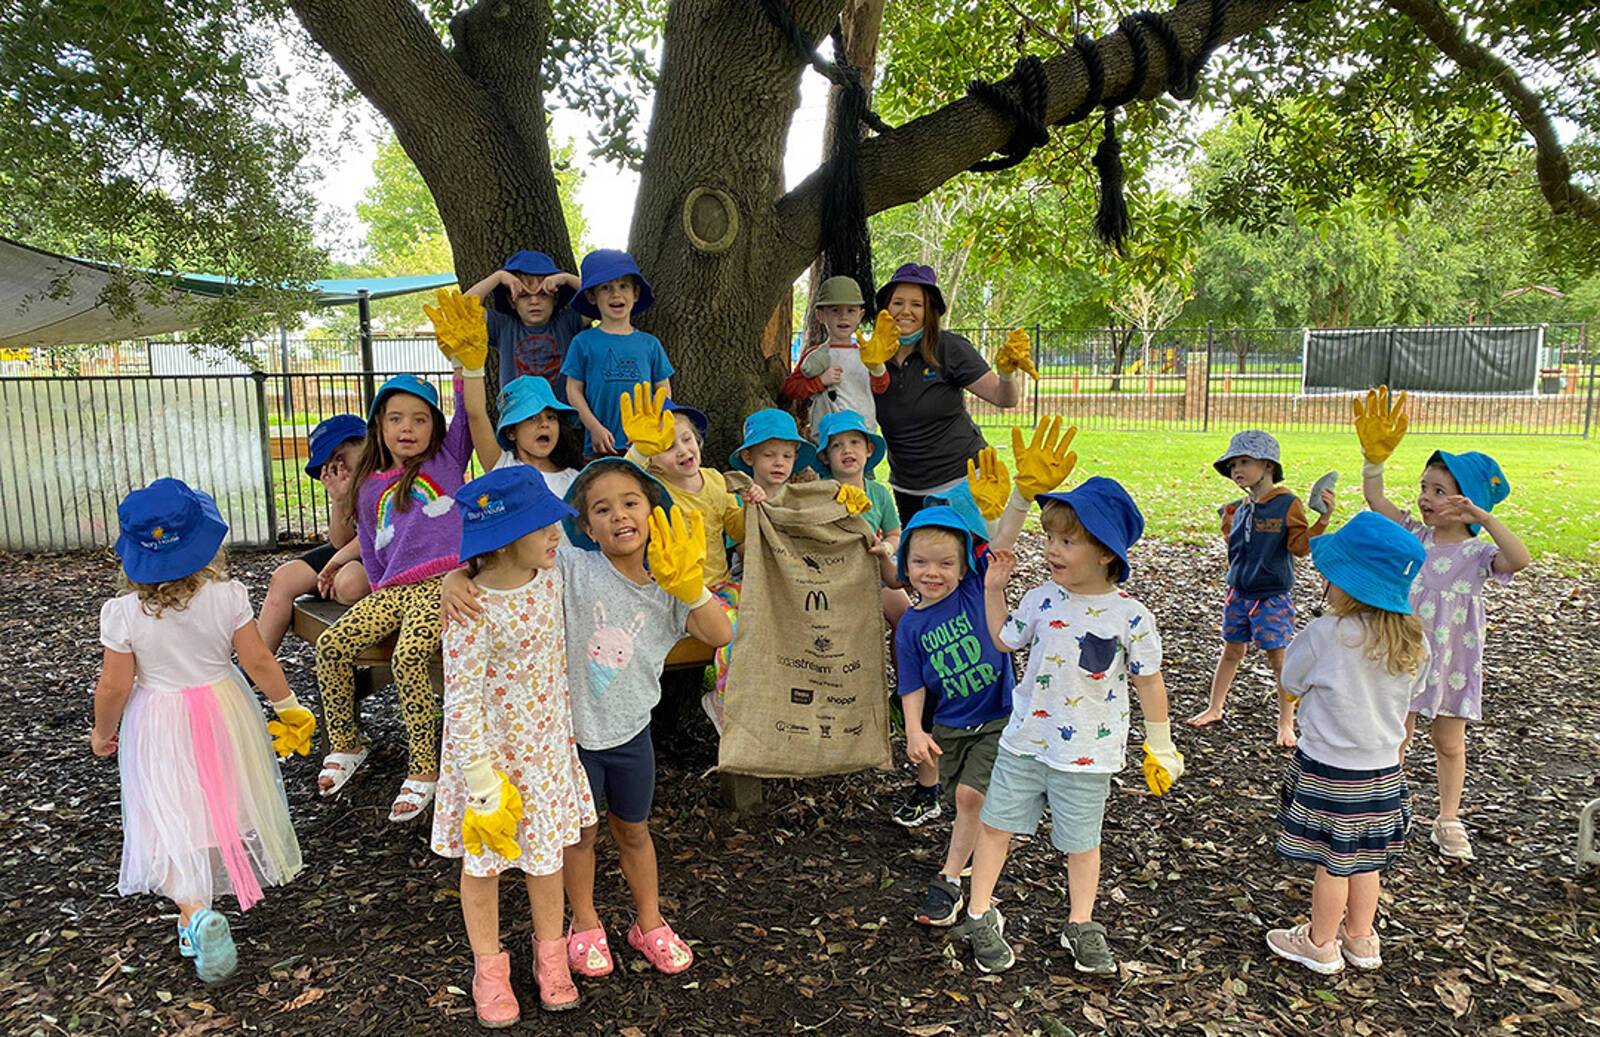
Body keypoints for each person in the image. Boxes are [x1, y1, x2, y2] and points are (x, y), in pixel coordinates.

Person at [443, 458, 733, 979]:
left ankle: (649, 921)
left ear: (652, 510)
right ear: (585, 525)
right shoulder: (571, 568)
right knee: (579, 836)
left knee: (634, 830)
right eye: (602, 508)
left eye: (631, 503)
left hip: (629, 734)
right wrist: (454, 575)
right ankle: (585, 923)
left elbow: (719, 634)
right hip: (568, 739)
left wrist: (692, 588)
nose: (619, 516)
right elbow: (505, 557)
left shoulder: (670, 581)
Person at [956, 475, 1183, 976]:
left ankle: (1080, 923)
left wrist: (1161, 744)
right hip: (1025, 743)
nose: (1051, 550)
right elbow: (1002, 640)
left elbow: (1149, 682)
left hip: (1086, 754)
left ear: (1105, 552)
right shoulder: (1041, 598)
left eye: (1067, 540)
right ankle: (978, 912)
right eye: (1048, 538)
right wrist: (995, 589)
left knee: (1081, 844)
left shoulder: (1131, 617)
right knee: (995, 828)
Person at [91, 478, 312, 983]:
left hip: (159, 720)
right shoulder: (227, 595)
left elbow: (113, 687)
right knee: (219, 801)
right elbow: (257, 659)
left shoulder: (123, 613)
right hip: (225, 709)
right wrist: (288, 706)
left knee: (166, 814)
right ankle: (202, 902)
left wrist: (103, 732)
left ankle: (194, 910)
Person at [433, 466, 597, 1022]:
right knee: (483, 869)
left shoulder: (550, 575)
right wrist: (480, 783)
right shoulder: (471, 610)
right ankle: (490, 969)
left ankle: (550, 958)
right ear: (505, 540)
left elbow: (609, 545)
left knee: (546, 860)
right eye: (543, 525)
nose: (557, 534)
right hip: (490, 770)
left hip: (545, 756)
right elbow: (461, 701)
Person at [898, 422, 1078, 925]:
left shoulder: (977, 588)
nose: (932, 573)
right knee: (969, 804)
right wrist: (914, 729)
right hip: (951, 727)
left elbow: (1001, 542)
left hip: (1001, 716)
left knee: (968, 797)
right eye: (920, 563)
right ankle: (980, 862)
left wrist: (1019, 497)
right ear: (904, 564)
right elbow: (910, 683)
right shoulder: (911, 625)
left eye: (945, 563)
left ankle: (951, 879)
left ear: (962, 566)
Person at [1353, 387, 1529, 862]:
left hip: (1454, 659)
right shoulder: (1414, 533)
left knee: (1449, 741)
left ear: (1466, 501)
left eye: (1439, 491)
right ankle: (1383, 806)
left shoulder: (1477, 553)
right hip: (1407, 655)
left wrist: (1484, 519)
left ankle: (1448, 818)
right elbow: (1375, 499)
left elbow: (1521, 559)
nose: (1426, 498)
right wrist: (1374, 460)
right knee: (1397, 733)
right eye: (1425, 488)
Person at [312, 343, 472, 819]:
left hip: (444, 582)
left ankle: (425, 768)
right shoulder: (369, 481)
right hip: (394, 589)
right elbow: (368, 536)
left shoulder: (446, 461)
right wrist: (375, 589)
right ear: (378, 425)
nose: (408, 428)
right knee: (331, 647)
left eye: (420, 419)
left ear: (435, 428)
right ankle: (347, 743)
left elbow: (467, 412)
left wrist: (463, 366)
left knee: (409, 657)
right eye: (396, 418)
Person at [1266, 511, 1429, 974]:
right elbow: (1412, 695)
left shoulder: (1325, 635)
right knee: (1366, 859)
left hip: (1330, 770)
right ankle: (1361, 937)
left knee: (1333, 862)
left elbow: (1291, 680)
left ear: (1346, 582)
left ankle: (1319, 943)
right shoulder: (1414, 642)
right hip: (1383, 771)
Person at [1187, 429, 1333, 747]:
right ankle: (1215, 707)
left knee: (1279, 660)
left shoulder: (1286, 504)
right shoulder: (1238, 508)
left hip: (1271, 597)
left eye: (1244, 461)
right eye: (1233, 464)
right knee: (1231, 651)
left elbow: (1298, 547)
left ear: (1268, 465)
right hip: (1238, 593)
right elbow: (1236, 547)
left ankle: (1286, 723)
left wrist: (1321, 521)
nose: (1236, 469)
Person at [867, 263, 1036, 525]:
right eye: (898, 302)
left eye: (917, 304)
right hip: (907, 486)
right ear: (885, 308)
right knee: (923, 563)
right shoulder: (871, 356)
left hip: (963, 482)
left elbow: (1005, 398)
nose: (906, 311)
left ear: (930, 311)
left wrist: (1006, 373)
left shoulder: (949, 348)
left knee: (975, 560)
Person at [259, 414, 371, 653]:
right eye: (329, 465)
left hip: (380, 549)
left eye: (340, 457)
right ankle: (254, 672)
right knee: (283, 578)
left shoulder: (384, 476)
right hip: (351, 548)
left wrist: (335, 564)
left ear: (367, 444)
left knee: (349, 584)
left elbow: (378, 534)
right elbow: (340, 541)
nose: (337, 469)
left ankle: (341, 588)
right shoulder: (345, 481)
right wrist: (339, 499)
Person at [560, 250, 674, 456]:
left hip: (643, 445)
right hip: (600, 445)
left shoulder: (650, 344)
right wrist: (594, 427)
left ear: (636, 293)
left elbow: (663, 390)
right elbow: (573, 390)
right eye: (606, 288)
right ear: (592, 296)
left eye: (624, 286)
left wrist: (652, 425)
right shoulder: (583, 342)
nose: (616, 294)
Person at [463, 249, 584, 399]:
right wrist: (498, 276)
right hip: (517, 417)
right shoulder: (503, 327)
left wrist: (567, 279)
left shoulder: (566, 323)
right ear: (511, 301)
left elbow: (598, 301)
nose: (534, 301)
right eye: (524, 295)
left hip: (561, 417)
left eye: (543, 294)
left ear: (556, 298)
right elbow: (462, 308)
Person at [782, 275, 886, 437]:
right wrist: (820, 381)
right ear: (820, 315)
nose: (843, 316)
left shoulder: (867, 354)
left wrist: (877, 367)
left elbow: (881, 388)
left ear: (860, 315)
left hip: (861, 434)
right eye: (835, 310)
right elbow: (791, 389)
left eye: (850, 310)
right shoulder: (816, 355)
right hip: (826, 437)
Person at [728, 408, 818, 500]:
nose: (779, 463)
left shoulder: (801, 501)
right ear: (748, 457)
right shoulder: (739, 497)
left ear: (795, 458)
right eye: (768, 455)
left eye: (787, 456)